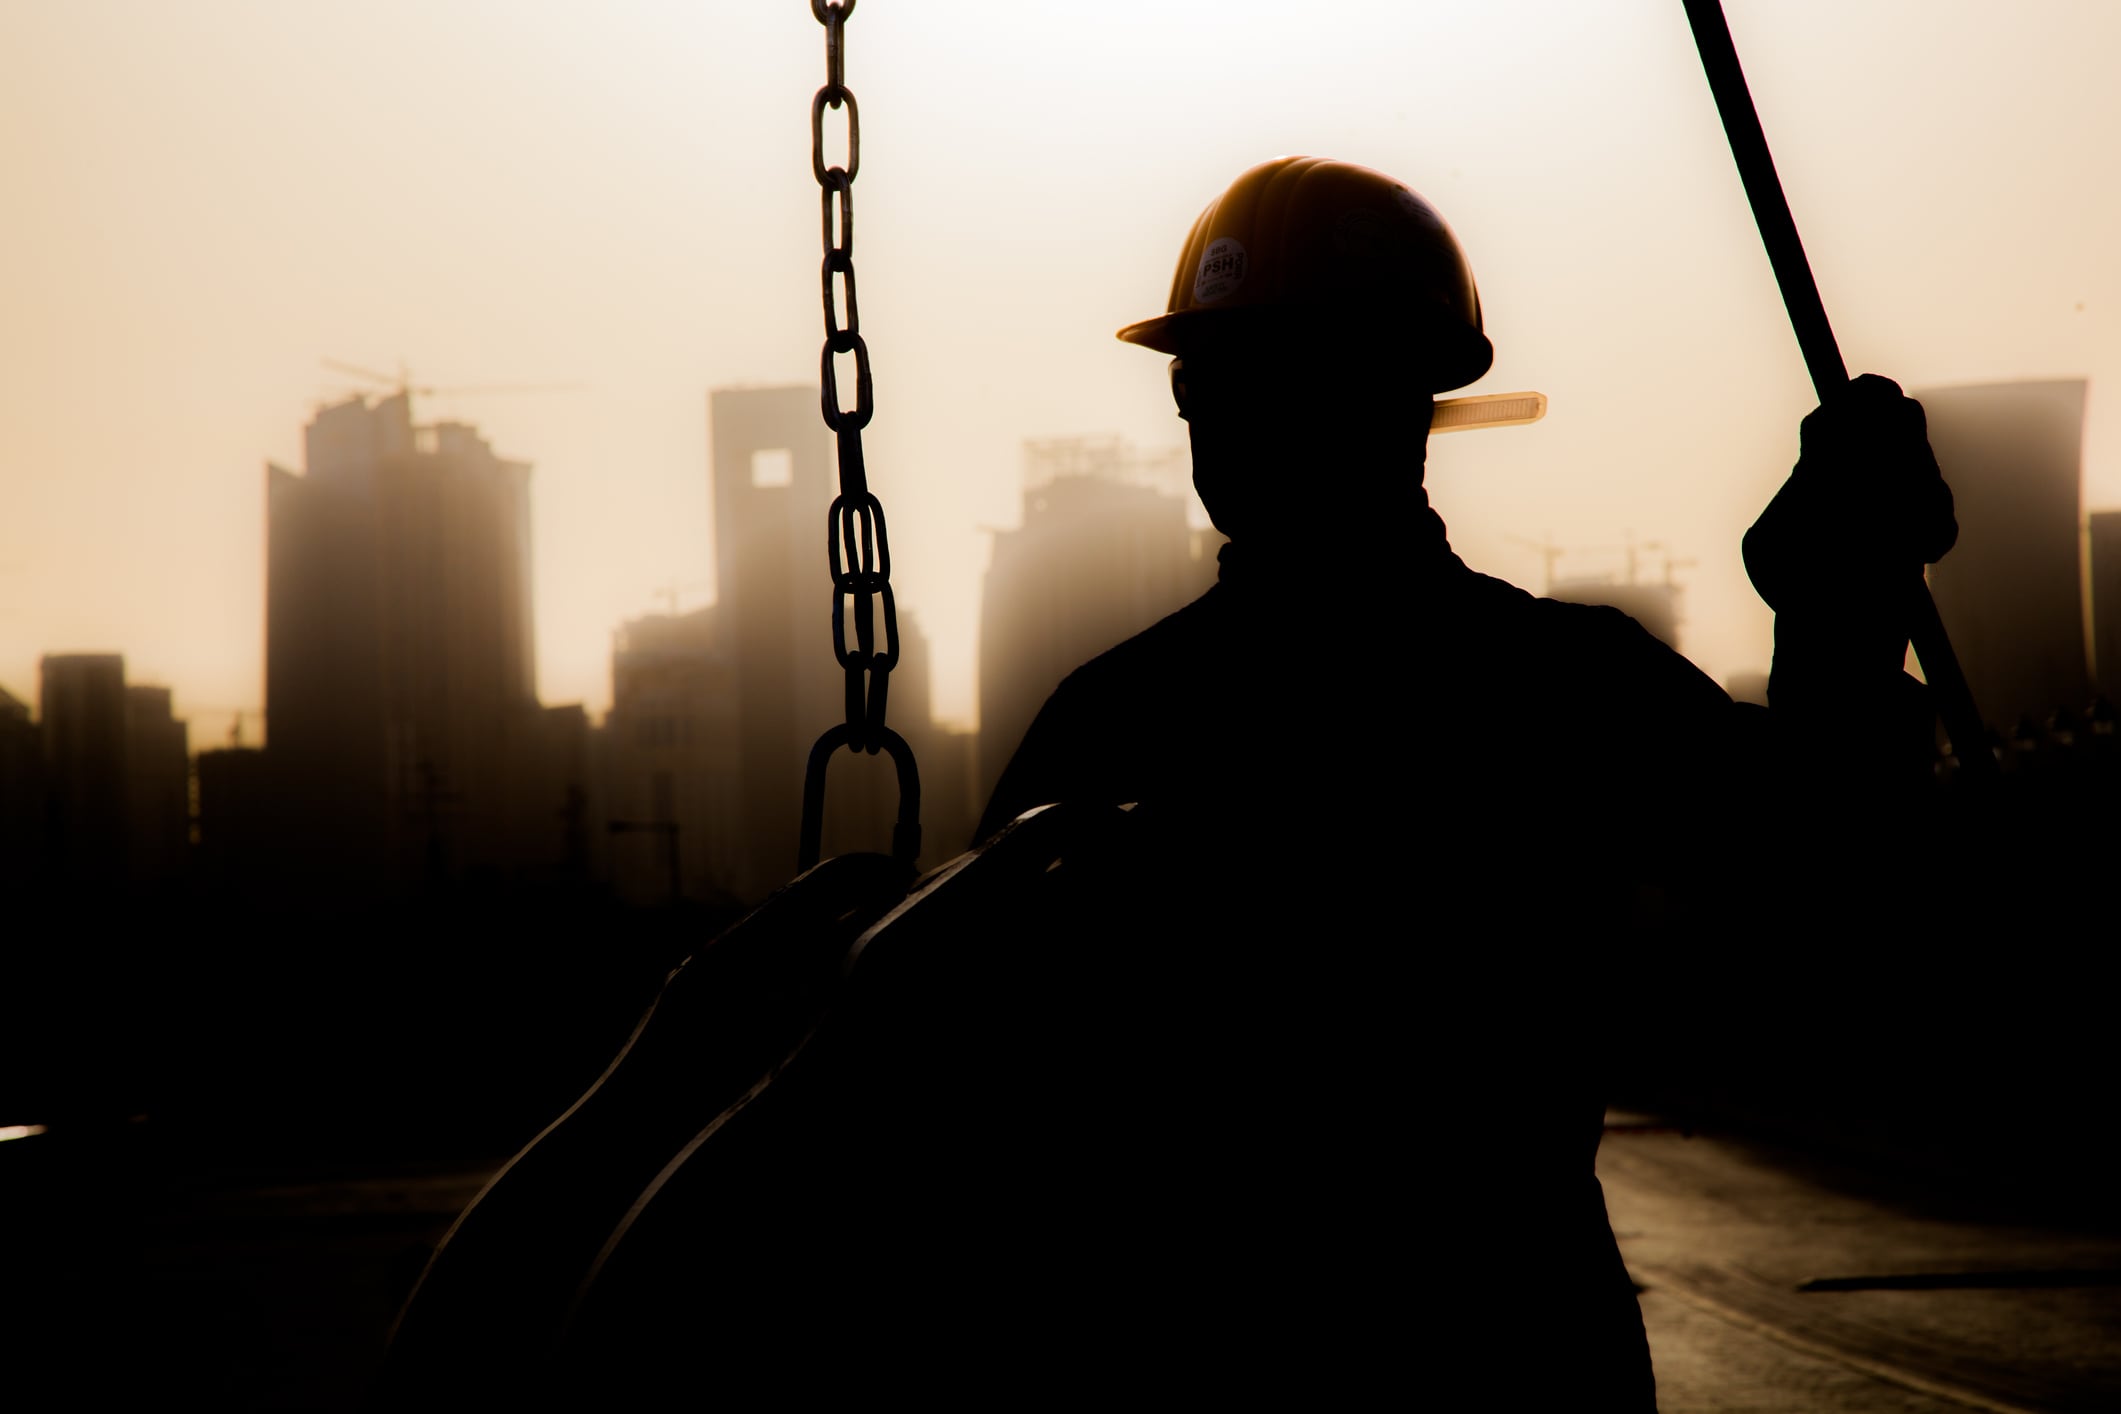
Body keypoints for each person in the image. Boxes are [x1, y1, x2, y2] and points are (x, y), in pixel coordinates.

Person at [976, 156, 1957, 1407]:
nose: (1222, 418)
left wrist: (1841, 623)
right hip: (1513, 1343)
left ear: (1393, 398)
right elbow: (1836, 872)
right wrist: (1843, 618)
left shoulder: (1117, 719)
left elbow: (1823, 881)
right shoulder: (1563, 687)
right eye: (1206, 383)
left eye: (1260, 379)